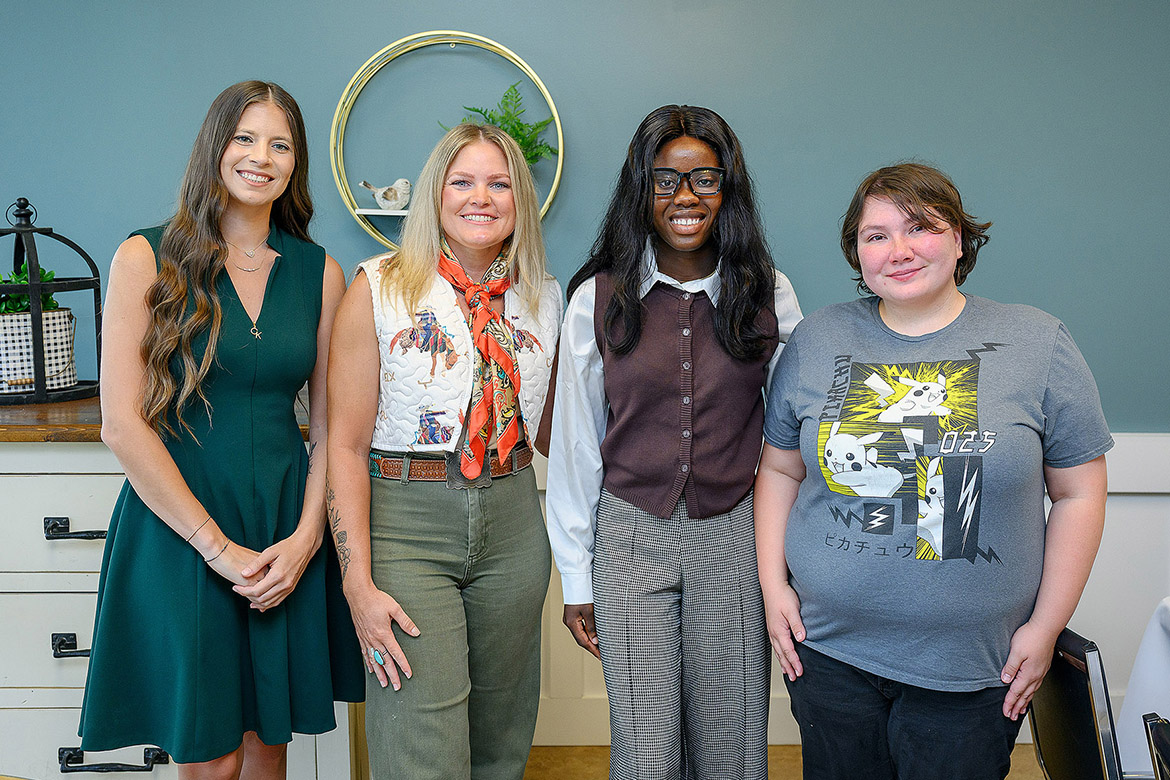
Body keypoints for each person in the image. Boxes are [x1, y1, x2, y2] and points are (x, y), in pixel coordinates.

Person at [756, 162, 1112, 779]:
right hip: (829, 656)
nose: (899, 250)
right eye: (876, 235)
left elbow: (1080, 491)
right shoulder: (818, 339)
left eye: (920, 227)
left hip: (975, 669)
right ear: (856, 252)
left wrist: (1045, 629)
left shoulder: (1037, 342)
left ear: (959, 239)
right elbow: (780, 471)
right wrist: (773, 588)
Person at [78, 81, 362, 779]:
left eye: (280, 144)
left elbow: (329, 426)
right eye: (244, 138)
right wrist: (214, 547)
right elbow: (121, 425)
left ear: (295, 164)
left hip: (281, 522)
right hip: (181, 528)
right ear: (215, 147)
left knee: (269, 747)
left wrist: (304, 540)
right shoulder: (145, 257)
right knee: (211, 758)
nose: (260, 157)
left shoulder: (319, 271)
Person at [545, 105, 802, 779]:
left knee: (732, 746)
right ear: (642, 192)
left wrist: (789, 562)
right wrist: (577, 576)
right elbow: (577, 447)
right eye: (666, 180)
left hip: (736, 537)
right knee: (647, 749)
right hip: (630, 536)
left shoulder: (770, 294)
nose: (685, 196)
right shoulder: (596, 300)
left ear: (728, 190)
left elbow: (801, 438)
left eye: (703, 179)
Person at [326, 123, 561, 780]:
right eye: (462, 181)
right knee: (420, 743)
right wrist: (357, 581)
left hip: (514, 523)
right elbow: (342, 444)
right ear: (435, 194)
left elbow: (558, 437)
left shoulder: (545, 296)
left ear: (520, 199)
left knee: (501, 734)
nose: (479, 197)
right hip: (406, 524)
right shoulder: (377, 289)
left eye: (498, 182)